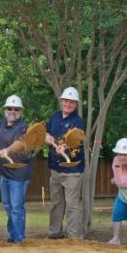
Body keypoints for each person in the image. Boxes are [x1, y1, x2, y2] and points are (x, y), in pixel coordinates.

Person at [0, 95, 33, 243]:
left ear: (20, 111)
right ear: (5, 109)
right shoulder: (3, 123)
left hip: (19, 174)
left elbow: (20, 143)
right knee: (7, 205)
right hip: (4, 173)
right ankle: (13, 235)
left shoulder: (24, 127)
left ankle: (19, 239)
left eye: (15, 109)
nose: (12, 111)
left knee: (17, 207)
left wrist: (8, 150)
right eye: (9, 108)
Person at [44, 86, 86, 239]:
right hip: (55, 168)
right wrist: (47, 136)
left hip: (72, 171)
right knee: (56, 203)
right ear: (61, 101)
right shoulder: (55, 117)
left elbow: (79, 139)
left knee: (72, 205)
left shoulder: (78, 121)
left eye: (72, 102)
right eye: (66, 101)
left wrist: (65, 146)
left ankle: (74, 237)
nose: (68, 104)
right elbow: (47, 131)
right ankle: (55, 232)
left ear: (76, 104)